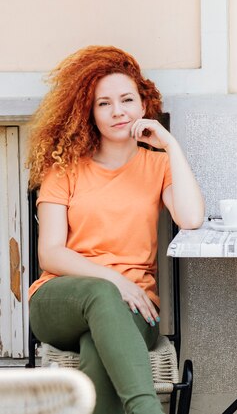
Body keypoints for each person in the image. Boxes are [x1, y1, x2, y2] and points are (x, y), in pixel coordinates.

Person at [26, 46, 205, 414]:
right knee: (102, 295)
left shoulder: (158, 166)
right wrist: (115, 281)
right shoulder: (64, 168)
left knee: (98, 347)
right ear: (89, 113)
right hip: (62, 300)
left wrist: (170, 144)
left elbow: (190, 218)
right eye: (103, 103)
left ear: (144, 106)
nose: (117, 111)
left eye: (126, 99)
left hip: (137, 310)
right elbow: (51, 253)